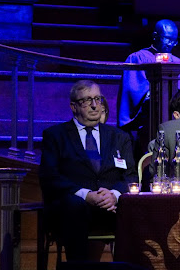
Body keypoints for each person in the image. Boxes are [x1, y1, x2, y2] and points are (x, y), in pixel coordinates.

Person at [39, 80, 137, 262]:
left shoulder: (119, 137)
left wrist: (114, 194)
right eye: (86, 101)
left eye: (98, 99)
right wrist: (86, 195)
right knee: (75, 206)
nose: (94, 105)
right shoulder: (56, 135)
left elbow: (131, 176)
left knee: (135, 207)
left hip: (111, 207)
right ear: (74, 106)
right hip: (73, 208)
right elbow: (49, 177)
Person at [117, 19, 180, 157]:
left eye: (174, 40)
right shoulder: (137, 58)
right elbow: (133, 90)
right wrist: (154, 95)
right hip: (148, 118)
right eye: (167, 39)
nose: (171, 44)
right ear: (155, 36)